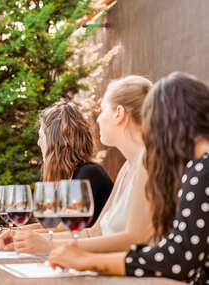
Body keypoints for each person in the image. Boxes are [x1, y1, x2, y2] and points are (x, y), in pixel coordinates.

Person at [48, 72, 209, 284]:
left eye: (153, 121)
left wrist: (86, 260)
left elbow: (178, 259)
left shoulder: (203, 170)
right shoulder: (197, 167)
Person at [0, 75, 154, 255]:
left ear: (119, 113)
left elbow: (134, 241)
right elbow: (95, 232)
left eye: (102, 110)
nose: (98, 119)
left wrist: (49, 245)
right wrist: (27, 239)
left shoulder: (149, 164)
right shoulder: (127, 168)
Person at [0, 101, 113, 244]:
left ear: (56, 141)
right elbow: (48, 227)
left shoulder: (89, 172)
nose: (38, 143)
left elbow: (61, 227)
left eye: (41, 136)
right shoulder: (69, 176)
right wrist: (2, 232)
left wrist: (1, 235)